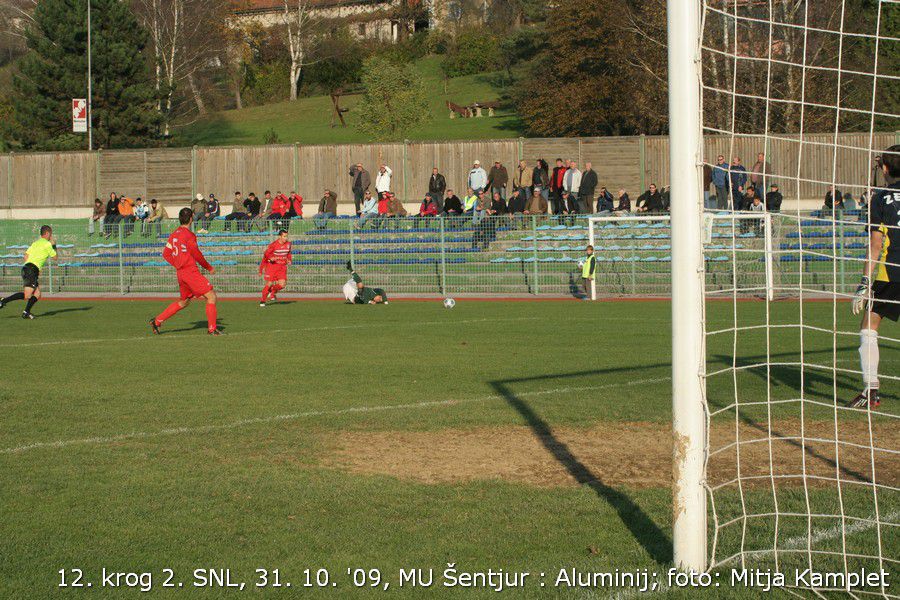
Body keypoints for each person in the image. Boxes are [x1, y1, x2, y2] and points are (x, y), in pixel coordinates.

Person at [849, 144, 900, 408]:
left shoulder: (880, 198)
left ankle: (871, 390)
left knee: (869, 325)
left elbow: (876, 245)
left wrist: (864, 283)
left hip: (891, 274)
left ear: (885, 169)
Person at [149, 207, 220, 336]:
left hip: (181, 273)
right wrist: (209, 268)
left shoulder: (174, 234)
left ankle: (157, 321)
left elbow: (166, 254)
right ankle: (212, 329)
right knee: (211, 296)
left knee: (184, 302)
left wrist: (177, 264)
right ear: (191, 219)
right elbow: (197, 254)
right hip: (189, 271)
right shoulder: (189, 235)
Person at [0, 225, 57, 319]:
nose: (51, 236)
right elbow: (55, 258)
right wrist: (54, 245)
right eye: (51, 234)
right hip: (31, 270)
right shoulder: (47, 244)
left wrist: (34, 267)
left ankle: (26, 312)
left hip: (27, 268)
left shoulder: (35, 243)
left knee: (37, 294)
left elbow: (26, 256)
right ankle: (3, 301)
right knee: (27, 295)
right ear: (47, 233)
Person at [259, 228, 292, 306]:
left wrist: (289, 260)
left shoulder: (288, 244)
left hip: (282, 267)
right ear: (279, 237)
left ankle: (272, 291)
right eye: (284, 236)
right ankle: (262, 301)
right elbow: (266, 254)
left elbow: (288, 254)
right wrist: (271, 258)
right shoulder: (274, 245)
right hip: (272, 267)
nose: (286, 238)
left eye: (286, 236)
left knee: (282, 285)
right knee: (269, 283)